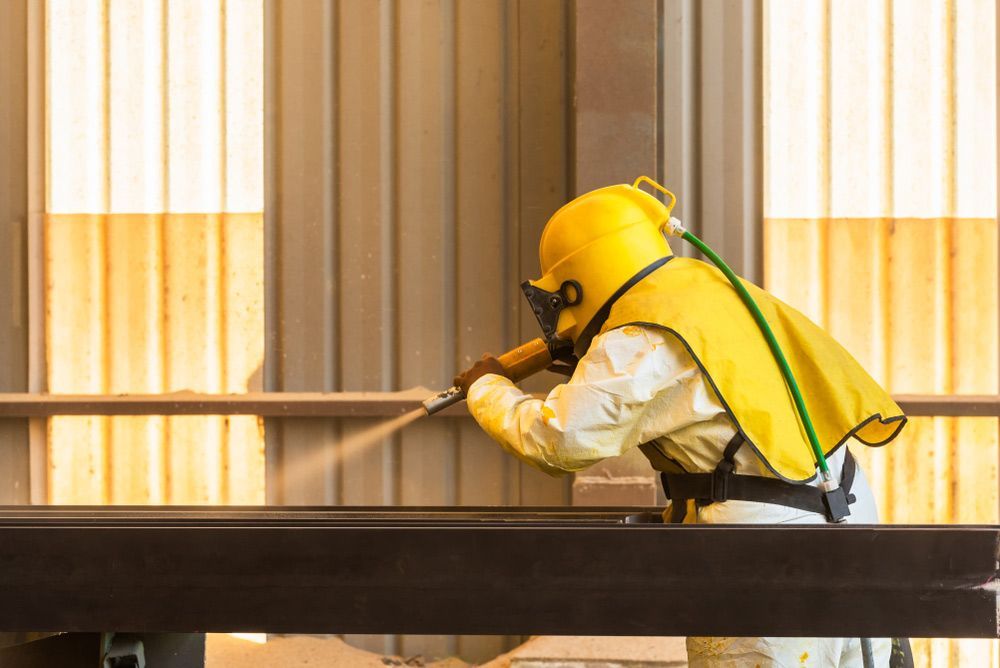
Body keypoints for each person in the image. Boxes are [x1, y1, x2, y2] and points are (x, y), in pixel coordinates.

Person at [454, 178, 907, 668]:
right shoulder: (708, 292)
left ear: (575, 284)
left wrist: (487, 387)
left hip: (764, 548)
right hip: (845, 515)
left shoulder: (642, 332)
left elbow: (559, 439)